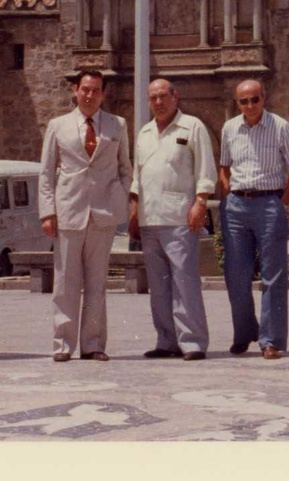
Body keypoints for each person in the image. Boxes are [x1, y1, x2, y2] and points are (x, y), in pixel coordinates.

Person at [38, 70, 132, 362]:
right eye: (85, 90)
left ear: (103, 93)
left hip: (103, 213)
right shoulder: (58, 126)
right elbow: (46, 172)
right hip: (69, 211)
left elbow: (125, 167)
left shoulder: (118, 124)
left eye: (96, 90)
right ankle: (63, 345)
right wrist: (48, 212)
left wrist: (120, 198)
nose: (90, 95)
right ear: (75, 91)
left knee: (97, 283)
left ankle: (93, 345)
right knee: (65, 282)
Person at [129, 78, 216, 362]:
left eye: (163, 96)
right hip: (149, 217)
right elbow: (137, 176)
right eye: (152, 97)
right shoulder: (143, 132)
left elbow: (205, 168)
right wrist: (133, 212)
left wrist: (200, 202)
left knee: (185, 281)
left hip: (180, 216)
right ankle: (166, 340)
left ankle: (192, 341)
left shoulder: (192, 126)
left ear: (175, 96)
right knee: (159, 284)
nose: (158, 102)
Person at [217, 79, 289, 360]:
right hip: (237, 206)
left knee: (274, 276)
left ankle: (271, 340)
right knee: (236, 275)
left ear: (264, 98)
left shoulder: (280, 126)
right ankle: (244, 333)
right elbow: (224, 167)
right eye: (244, 101)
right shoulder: (230, 128)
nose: (250, 105)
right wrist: (230, 194)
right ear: (237, 103)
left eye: (255, 99)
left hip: (269, 204)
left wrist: (283, 201)